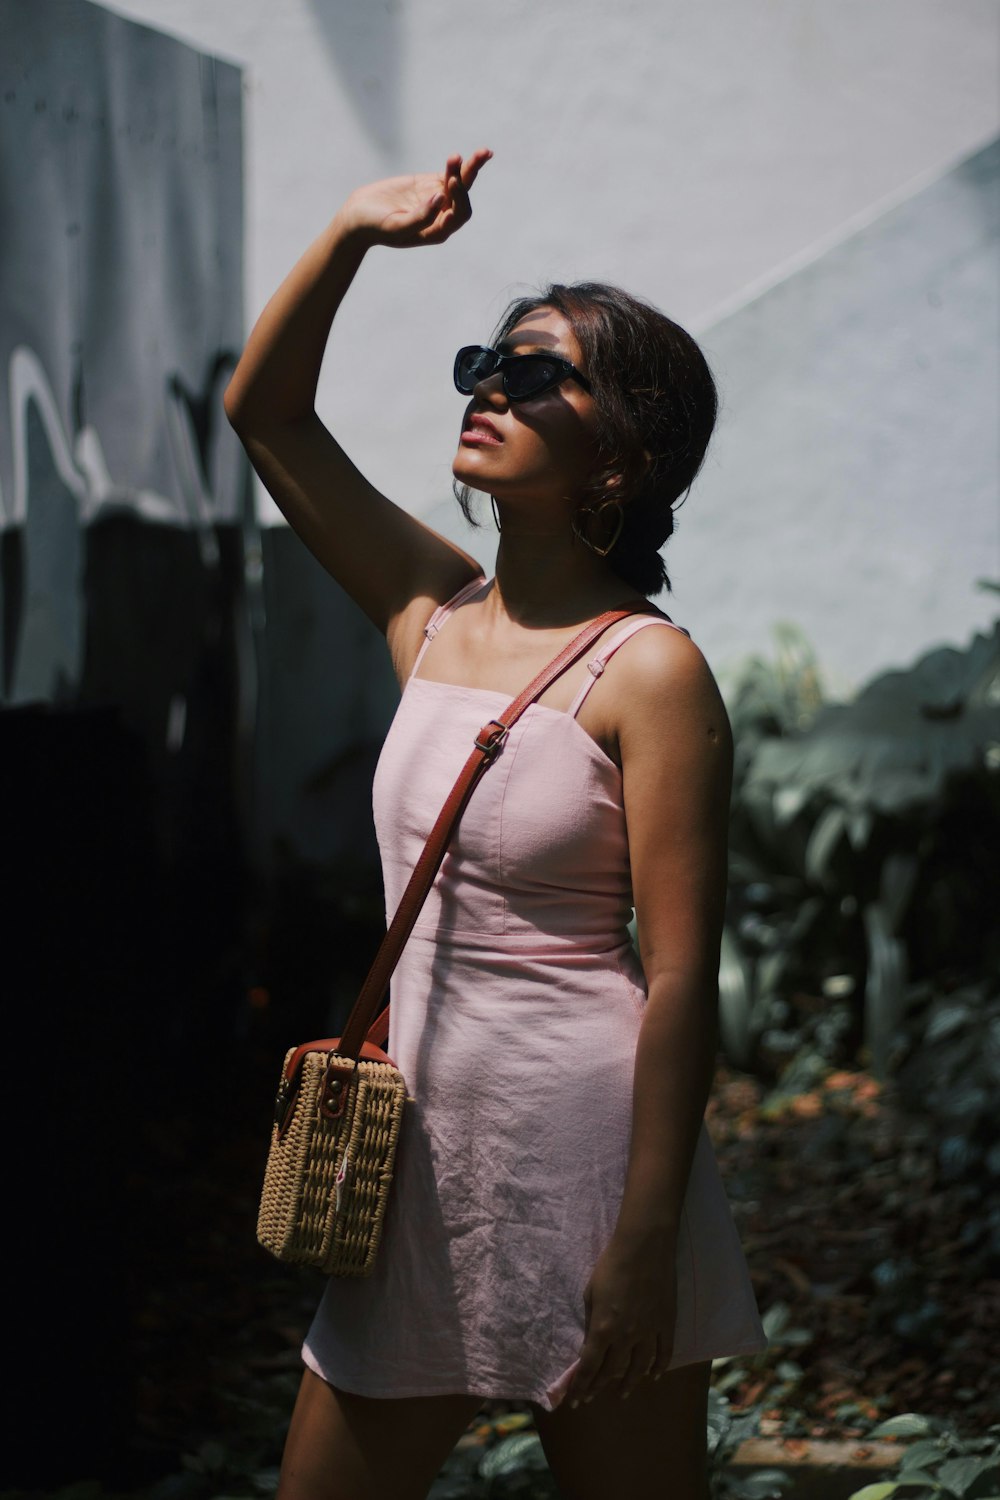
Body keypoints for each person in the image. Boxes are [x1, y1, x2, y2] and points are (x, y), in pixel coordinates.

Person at [225, 151, 767, 1500]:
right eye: (489, 360)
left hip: (589, 1160)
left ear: (625, 451)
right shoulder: (431, 608)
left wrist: (645, 1238)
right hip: (411, 1153)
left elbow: (685, 971)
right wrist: (352, 228)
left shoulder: (648, 670)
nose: (492, 387)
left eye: (539, 375)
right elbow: (267, 416)